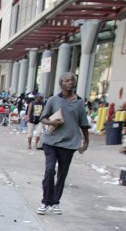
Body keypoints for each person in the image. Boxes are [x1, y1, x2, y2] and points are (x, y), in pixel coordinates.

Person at [36, 72, 89, 215]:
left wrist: (86, 141)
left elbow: (84, 124)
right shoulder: (53, 100)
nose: (70, 82)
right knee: (50, 170)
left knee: (62, 174)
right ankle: (45, 201)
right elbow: (43, 118)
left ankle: (55, 202)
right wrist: (52, 122)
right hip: (51, 141)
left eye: (72, 80)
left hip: (69, 143)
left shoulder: (79, 102)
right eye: (67, 80)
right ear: (61, 84)